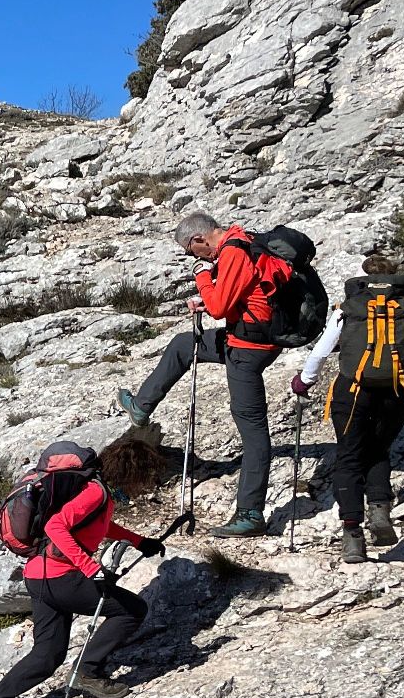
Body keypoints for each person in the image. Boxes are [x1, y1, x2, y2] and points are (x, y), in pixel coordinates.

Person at [0, 444, 164, 698]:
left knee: (48, 654)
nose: (145, 485)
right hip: (59, 578)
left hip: (39, 576)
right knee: (132, 610)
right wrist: (90, 567)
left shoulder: (97, 491)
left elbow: (98, 525)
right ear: (131, 472)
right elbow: (55, 526)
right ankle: (87, 671)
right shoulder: (96, 491)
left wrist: (138, 541)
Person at [115, 211, 285, 537]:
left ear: (199, 239)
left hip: (248, 348)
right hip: (251, 335)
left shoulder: (233, 252)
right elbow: (240, 295)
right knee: (183, 344)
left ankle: (250, 513)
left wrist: (203, 278)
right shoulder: (242, 241)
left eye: (191, 252)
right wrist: (209, 298)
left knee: (252, 431)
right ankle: (141, 407)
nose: (195, 257)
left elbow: (220, 307)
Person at [289, 254, 404, 564]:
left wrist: (303, 382)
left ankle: (353, 536)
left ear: (363, 278)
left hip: (353, 391)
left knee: (350, 456)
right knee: (377, 449)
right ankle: (379, 511)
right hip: (397, 390)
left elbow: (320, 353)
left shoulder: (348, 308)